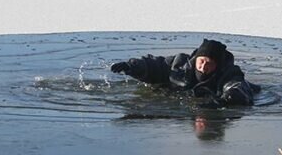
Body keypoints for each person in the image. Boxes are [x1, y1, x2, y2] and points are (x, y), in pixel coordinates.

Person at [110, 38, 257, 106]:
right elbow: (155, 65)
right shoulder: (180, 64)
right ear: (196, 59)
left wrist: (222, 101)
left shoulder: (229, 74)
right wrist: (131, 67)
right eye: (201, 61)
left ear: (217, 65)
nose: (203, 66)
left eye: (209, 63)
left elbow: (236, 88)